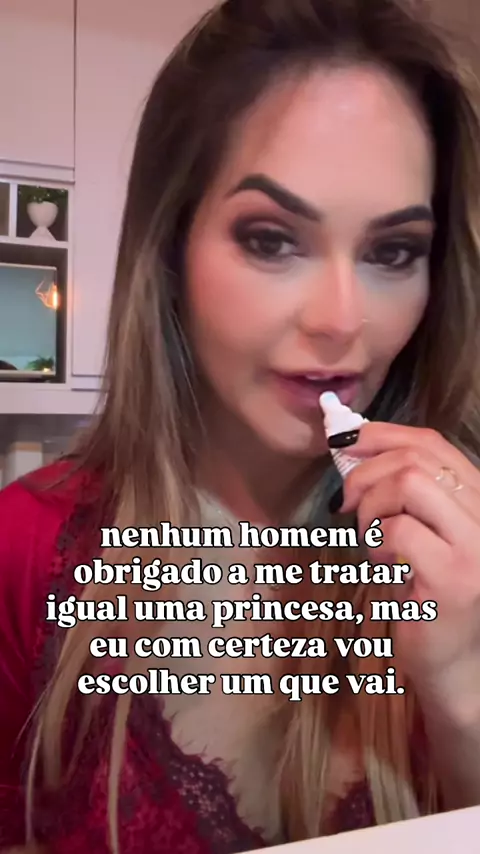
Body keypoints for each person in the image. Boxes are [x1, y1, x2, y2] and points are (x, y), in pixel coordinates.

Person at [2, 0, 480, 851]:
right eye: (271, 239)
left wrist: (465, 699)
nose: (342, 321)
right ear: (171, 249)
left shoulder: (464, 546)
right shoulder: (25, 551)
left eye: (393, 251)